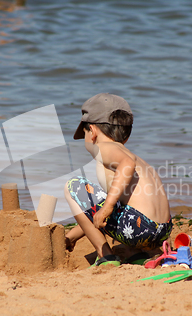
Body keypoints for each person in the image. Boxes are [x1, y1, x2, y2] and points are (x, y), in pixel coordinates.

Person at [64, 93, 173, 266]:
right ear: (126, 135)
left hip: (139, 227)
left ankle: (105, 254)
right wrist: (72, 236)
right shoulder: (137, 158)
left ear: (92, 132)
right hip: (161, 230)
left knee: (73, 186)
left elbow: (126, 164)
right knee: (117, 201)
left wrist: (106, 207)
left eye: (84, 134)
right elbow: (102, 210)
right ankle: (137, 254)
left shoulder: (103, 147)